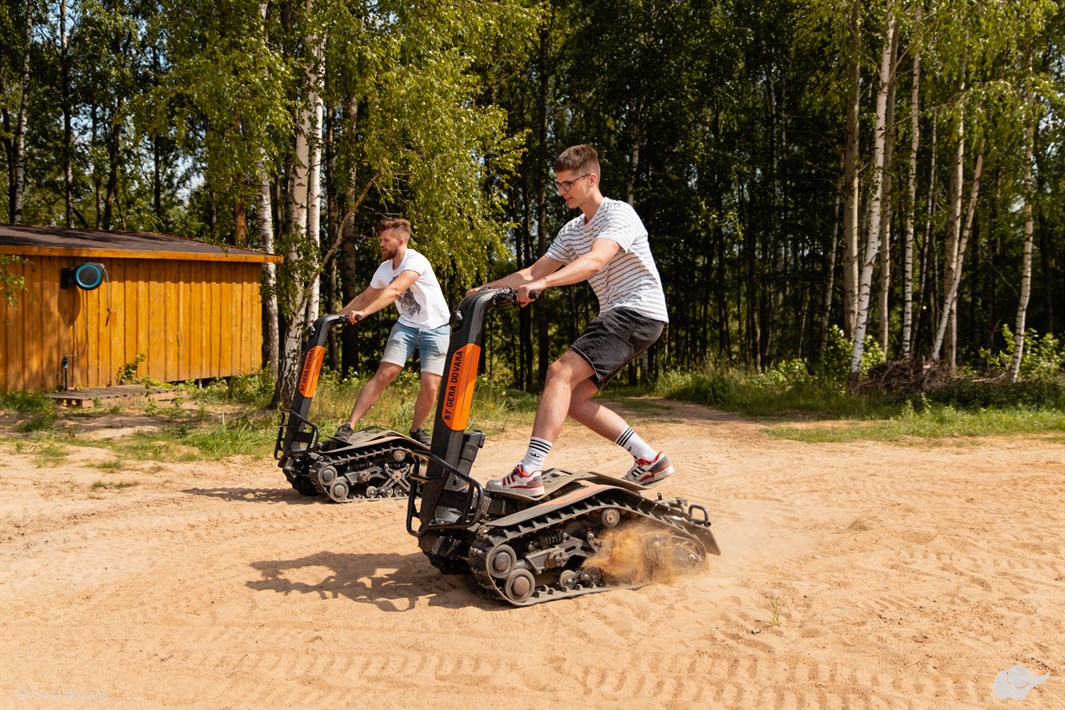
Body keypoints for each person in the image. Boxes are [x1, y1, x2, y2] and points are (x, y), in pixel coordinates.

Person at [473, 144, 673, 497]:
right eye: (558, 184)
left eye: (568, 184)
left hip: (636, 311)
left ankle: (529, 470)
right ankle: (649, 459)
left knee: (559, 372)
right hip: (626, 316)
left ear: (591, 179)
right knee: (575, 399)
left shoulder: (619, 214)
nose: (562, 191)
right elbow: (532, 272)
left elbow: (595, 261)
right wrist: (483, 291)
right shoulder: (572, 230)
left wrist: (544, 284)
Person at [336, 217, 451, 446]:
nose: (381, 244)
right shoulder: (384, 269)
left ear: (400, 241)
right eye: (380, 239)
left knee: (430, 385)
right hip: (407, 325)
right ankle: (348, 426)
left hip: (436, 328)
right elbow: (365, 297)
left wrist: (364, 313)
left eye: (385, 240)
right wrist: (335, 316)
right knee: (385, 373)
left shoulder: (416, 261)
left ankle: (417, 430)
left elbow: (395, 290)